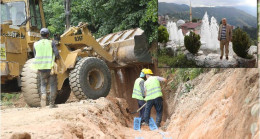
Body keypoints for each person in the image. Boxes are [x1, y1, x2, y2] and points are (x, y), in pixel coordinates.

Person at [32, 28, 60, 108]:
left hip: (41, 68)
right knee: (52, 84)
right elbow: (57, 54)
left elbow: (35, 55)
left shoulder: (35, 44)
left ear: (40, 35)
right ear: (47, 35)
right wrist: (57, 59)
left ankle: (43, 95)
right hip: (50, 68)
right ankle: (52, 104)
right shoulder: (51, 42)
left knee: (43, 84)